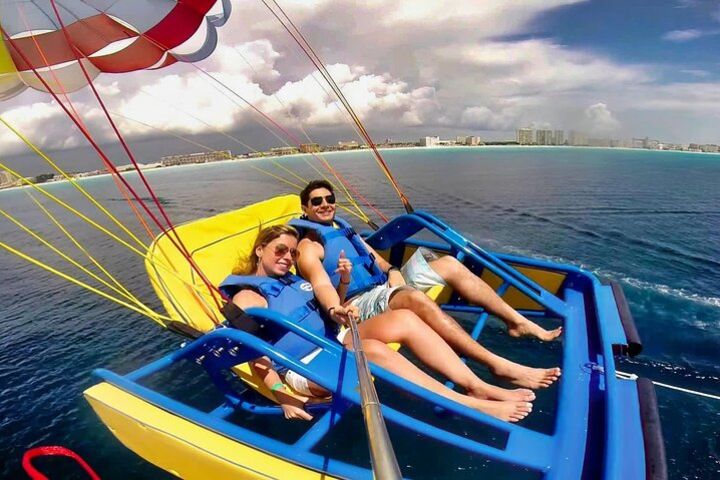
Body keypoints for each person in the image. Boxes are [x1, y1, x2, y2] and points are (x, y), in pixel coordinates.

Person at [220, 225, 533, 422]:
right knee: (370, 349)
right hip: (302, 367)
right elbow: (250, 353)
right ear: (260, 250)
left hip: (335, 340)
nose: (288, 257)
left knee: (405, 318)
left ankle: (478, 386)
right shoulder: (249, 295)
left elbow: (324, 300)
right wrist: (283, 396)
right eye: (280, 250)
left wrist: (341, 296)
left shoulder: (290, 280)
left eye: (292, 251)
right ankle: (467, 405)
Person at [291, 180, 562, 390]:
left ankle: (517, 322)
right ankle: (496, 365)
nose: (325, 204)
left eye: (329, 199)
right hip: (359, 303)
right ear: (305, 209)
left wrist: (395, 271)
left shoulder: (343, 228)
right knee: (412, 298)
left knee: (449, 264)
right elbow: (323, 287)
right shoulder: (308, 248)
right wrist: (334, 309)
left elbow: (380, 263)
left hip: (385, 286)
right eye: (317, 201)